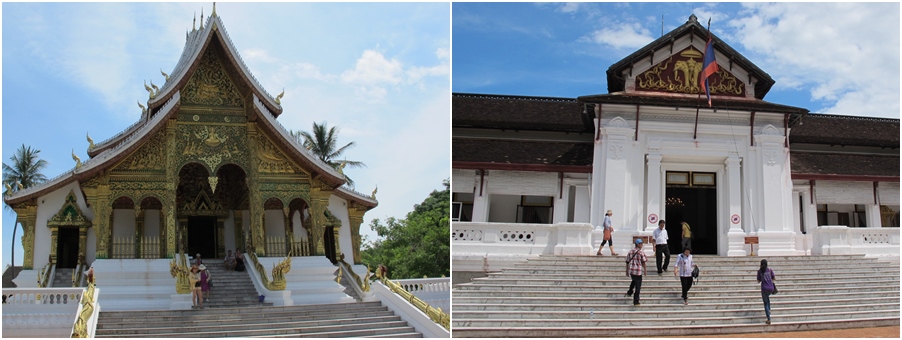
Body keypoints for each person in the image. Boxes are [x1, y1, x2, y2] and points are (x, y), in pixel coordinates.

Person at [624, 238, 647, 306]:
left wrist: (627, 271)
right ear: (638, 244)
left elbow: (627, 262)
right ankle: (636, 301)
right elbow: (644, 262)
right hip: (638, 271)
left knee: (634, 281)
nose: (642, 245)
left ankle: (630, 291)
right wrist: (645, 270)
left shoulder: (630, 252)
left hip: (632, 270)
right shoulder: (641, 252)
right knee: (638, 287)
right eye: (641, 244)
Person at [757, 259, 776, 325]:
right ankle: (769, 309)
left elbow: (758, 280)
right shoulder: (770, 270)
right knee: (767, 299)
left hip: (764, 288)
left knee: (765, 303)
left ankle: (768, 318)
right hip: (771, 288)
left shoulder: (760, 271)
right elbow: (774, 278)